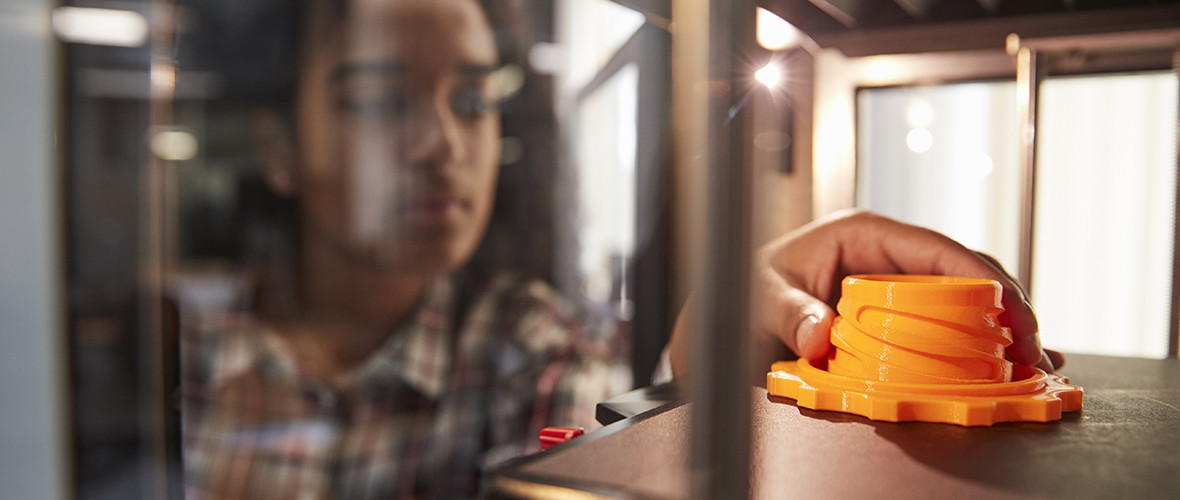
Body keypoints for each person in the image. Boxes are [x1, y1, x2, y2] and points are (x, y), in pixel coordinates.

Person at [180, 0, 1061, 498]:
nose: (442, 145)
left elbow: (609, 461)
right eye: (379, 99)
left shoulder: (531, 354)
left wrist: (704, 375)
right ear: (278, 147)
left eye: (474, 101)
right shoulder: (173, 358)